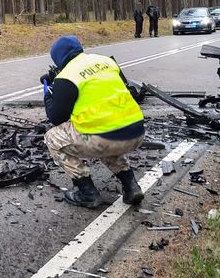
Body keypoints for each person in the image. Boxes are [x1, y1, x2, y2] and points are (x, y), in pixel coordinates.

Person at [42, 35, 145, 209]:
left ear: (58, 58)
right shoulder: (106, 62)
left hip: (104, 139)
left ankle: (87, 192)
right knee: (103, 133)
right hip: (136, 132)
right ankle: (131, 186)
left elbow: (56, 117)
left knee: (53, 138)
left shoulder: (67, 76)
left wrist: (48, 93)